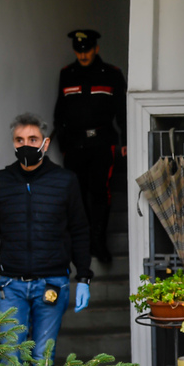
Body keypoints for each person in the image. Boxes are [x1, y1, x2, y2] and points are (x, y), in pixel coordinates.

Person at [0, 114, 92, 366]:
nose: (25, 144)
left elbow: (79, 230)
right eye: (19, 139)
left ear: (45, 144)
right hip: (11, 285)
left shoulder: (65, 181)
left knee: (41, 358)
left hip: (52, 283)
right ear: (13, 144)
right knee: (9, 358)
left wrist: (84, 277)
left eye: (32, 139)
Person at [54, 29, 127, 263]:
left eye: (86, 50)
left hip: (103, 142)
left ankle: (99, 240)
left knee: (100, 191)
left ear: (96, 49)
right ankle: (84, 241)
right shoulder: (67, 74)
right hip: (75, 144)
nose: (82, 55)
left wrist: (126, 140)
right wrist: (63, 143)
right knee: (76, 193)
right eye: (78, 50)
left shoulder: (112, 74)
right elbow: (60, 112)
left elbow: (123, 110)